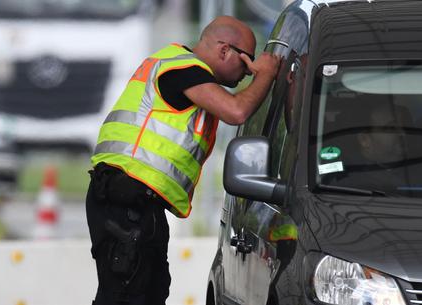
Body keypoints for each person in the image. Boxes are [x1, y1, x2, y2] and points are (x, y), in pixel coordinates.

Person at [86, 16, 281, 305]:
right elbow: (236, 111)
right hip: (127, 200)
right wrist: (266, 74)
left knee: (148, 292)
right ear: (224, 50)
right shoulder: (184, 69)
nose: (249, 72)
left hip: (137, 202)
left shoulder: (182, 70)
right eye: (247, 61)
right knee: (127, 296)